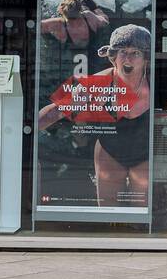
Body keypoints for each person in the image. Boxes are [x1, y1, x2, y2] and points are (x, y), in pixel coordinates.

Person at [38, 24, 151, 208]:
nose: (128, 58)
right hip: (110, 151)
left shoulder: (155, 81)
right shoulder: (98, 83)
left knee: (142, 212)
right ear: (113, 57)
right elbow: (55, 111)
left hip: (144, 152)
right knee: (108, 211)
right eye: (123, 52)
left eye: (135, 52)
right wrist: (23, 130)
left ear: (145, 58)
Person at [39, 0, 109, 46]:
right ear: (80, 6)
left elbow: (37, 26)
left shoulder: (58, 24)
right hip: (92, 56)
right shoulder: (89, 16)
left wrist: (47, 38)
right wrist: (94, 7)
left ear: (61, 7)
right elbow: (105, 22)